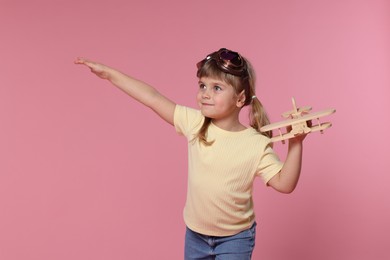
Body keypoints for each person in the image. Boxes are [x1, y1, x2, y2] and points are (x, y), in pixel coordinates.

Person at [75, 48, 306, 260]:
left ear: (240, 98)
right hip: (195, 236)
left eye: (216, 88)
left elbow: (284, 184)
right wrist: (109, 74)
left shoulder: (255, 144)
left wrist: (296, 143)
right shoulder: (196, 123)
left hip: (235, 239)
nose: (205, 94)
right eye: (202, 85)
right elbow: (152, 97)